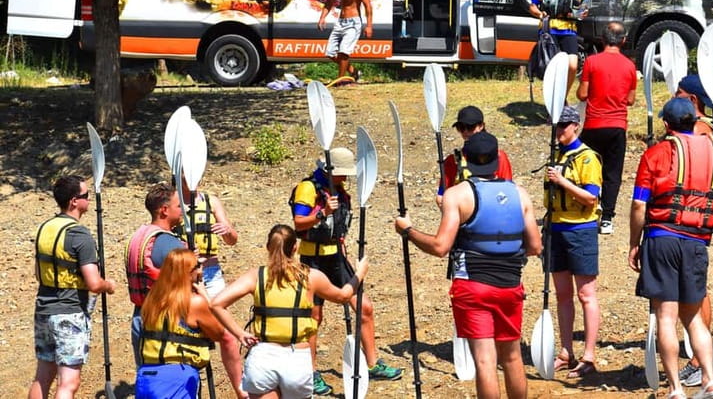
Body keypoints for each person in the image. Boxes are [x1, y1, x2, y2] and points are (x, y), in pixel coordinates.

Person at [395, 130, 542, 399]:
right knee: (511, 357)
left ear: (466, 160)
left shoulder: (457, 195)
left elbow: (440, 247)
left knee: (485, 361)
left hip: (472, 287)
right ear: (497, 159)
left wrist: (408, 231)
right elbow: (535, 247)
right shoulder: (519, 193)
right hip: (510, 285)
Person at [629, 98, 713, 399]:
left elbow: (639, 204)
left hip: (662, 238)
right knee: (692, 317)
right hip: (697, 241)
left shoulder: (655, 154)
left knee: (666, 316)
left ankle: (676, 388)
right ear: (694, 121)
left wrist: (633, 243)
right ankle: (711, 380)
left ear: (666, 125)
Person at [290, 147, 403, 395]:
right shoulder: (307, 188)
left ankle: (372, 364)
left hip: (337, 259)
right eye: (343, 173)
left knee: (364, 307)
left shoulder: (340, 191)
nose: (347, 178)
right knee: (313, 318)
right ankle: (310, 373)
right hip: (312, 260)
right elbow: (298, 223)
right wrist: (322, 213)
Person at [211, 224, 369, 399]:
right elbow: (344, 296)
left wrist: (240, 334)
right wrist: (360, 273)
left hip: (263, 359)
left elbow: (217, 304)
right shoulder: (310, 276)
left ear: (267, 247)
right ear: (296, 247)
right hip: (296, 360)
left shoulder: (256, 276)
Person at [29, 175, 116, 399]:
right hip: (69, 312)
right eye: (86, 196)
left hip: (43, 309)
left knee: (43, 376)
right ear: (74, 201)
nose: (89, 199)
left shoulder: (45, 228)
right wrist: (110, 285)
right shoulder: (79, 235)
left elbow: (39, 273)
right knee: (68, 382)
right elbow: (94, 284)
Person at [173, 178, 246, 398]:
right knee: (184, 332)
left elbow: (232, 240)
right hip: (183, 275)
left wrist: (227, 230)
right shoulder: (172, 202)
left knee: (227, 334)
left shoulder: (210, 200)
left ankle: (240, 389)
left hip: (211, 274)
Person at [545, 106, 603, 378]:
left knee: (585, 294)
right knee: (562, 294)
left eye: (564, 126)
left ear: (576, 126)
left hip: (581, 230)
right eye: (557, 126)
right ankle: (566, 351)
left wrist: (562, 181)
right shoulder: (557, 154)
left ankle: (589, 356)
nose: (560, 131)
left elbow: (591, 198)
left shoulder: (588, 158)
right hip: (556, 229)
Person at [135, 248, 225, 398]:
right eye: (197, 266)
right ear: (187, 273)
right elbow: (219, 333)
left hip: (146, 376)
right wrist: (206, 297)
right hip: (177, 378)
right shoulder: (194, 303)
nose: (201, 269)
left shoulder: (152, 300)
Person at [674, 74, 713, 387]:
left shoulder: (701, 130)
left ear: (692, 100)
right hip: (683, 218)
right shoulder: (697, 128)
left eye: (679, 94)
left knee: (696, 290)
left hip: (692, 218)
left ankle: (699, 360)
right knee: (688, 290)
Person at [577, 21, 636, 235]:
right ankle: (608, 218)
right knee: (613, 172)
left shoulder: (592, 62)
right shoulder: (629, 66)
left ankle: (588, 208)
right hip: (617, 126)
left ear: (602, 40)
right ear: (623, 40)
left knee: (587, 169)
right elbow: (630, 100)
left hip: (593, 124)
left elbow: (582, 94)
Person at [125, 182, 186, 367]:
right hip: (164, 323)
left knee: (148, 379)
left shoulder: (139, 236)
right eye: (178, 206)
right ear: (165, 210)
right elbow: (188, 281)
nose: (183, 210)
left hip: (140, 318)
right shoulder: (167, 242)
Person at [528, 0, 587, 96]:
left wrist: (582, 13)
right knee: (551, 67)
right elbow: (532, 6)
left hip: (569, 29)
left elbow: (578, 9)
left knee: (573, 65)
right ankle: (551, 98)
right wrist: (540, 14)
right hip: (550, 29)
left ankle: (562, 97)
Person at [436, 105, 513, 209]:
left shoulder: (499, 156)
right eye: (461, 128)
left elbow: (508, 189)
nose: (466, 132)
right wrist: (441, 198)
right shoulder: (452, 160)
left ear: (481, 126)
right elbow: (442, 192)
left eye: (470, 127)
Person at [317, 0, 373, 82]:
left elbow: (367, 5)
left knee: (343, 52)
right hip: (340, 22)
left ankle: (341, 80)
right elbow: (330, 2)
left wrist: (369, 25)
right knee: (330, 53)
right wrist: (322, 18)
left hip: (353, 22)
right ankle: (353, 71)